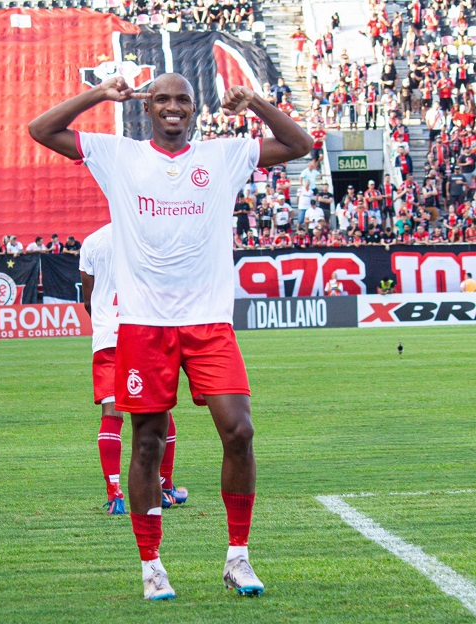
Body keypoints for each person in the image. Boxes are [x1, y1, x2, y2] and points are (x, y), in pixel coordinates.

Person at [29, 72, 313, 600]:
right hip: (144, 323)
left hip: (209, 322)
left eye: (183, 99)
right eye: (162, 99)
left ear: (195, 109)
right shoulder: (119, 155)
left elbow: (301, 144)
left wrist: (254, 101)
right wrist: (99, 94)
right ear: (148, 108)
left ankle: (238, 557)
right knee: (147, 444)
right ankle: (152, 565)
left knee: (240, 431)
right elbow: (41, 130)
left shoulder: (223, 156)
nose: (173, 107)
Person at [80, 223, 188, 515]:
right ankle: (165, 488)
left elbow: (88, 301)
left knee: (111, 413)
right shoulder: (151, 234)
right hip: (142, 332)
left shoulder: (92, 241)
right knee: (160, 411)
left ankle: (115, 494)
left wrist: (105, 323)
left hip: (107, 337)